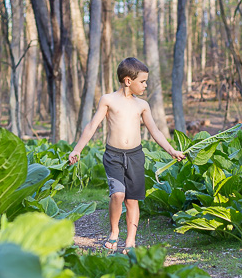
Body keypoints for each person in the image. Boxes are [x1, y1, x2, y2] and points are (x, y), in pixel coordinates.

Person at [69, 57, 185, 253]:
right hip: (113, 156)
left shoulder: (142, 105)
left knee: (132, 200)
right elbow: (92, 126)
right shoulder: (108, 100)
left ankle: (130, 241)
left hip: (135, 156)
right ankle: (114, 231)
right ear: (128, 81)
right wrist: (77, 149)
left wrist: (171, 150)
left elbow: (155, 131)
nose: (145, 85)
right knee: (118, 194)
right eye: (143, 81)